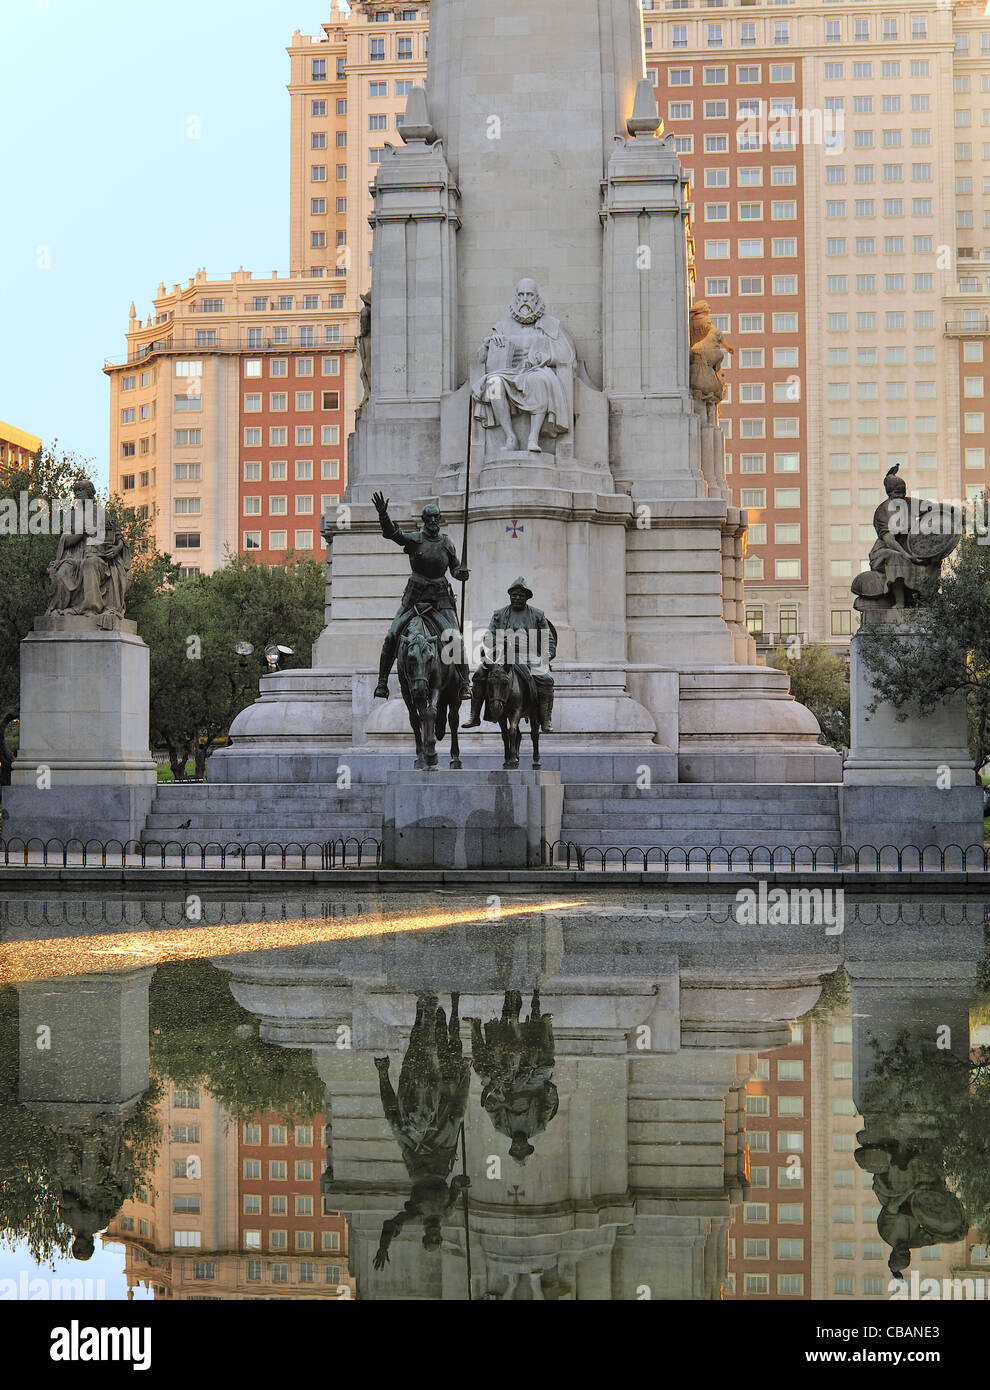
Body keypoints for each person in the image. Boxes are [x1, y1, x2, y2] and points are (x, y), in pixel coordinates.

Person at [373, 993, 471, 1269]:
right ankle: (465, 1075)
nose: (434, 1233)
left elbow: (391, 1224)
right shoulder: (447, 1211)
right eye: (437, 1237)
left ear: (424, 1236)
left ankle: (383, 1074)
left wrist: (384, 1244)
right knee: (456, 1114)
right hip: (441, 1154)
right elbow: (456, 1185)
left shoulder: (416, 1216)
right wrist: (461, 1184)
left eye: (430, 1237)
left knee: (394, 1120)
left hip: (415, 1156)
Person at [371, 492, 470, 700]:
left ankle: (463, 682)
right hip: (415, 597)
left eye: (436, 517)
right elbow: (393, 534)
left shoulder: (447, 543)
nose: (433, 521)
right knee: (392, 635)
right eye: (429, 517)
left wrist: (460, 573)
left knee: (455, 639)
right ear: (424, 521)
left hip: (441, 598)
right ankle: (382, 682)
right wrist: (383, 516)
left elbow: (454, 569)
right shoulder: (415, 539)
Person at [464, 578, 556, 732]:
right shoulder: (499, 614)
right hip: (502, 655)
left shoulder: (538, 615)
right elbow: (488, 635)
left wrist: (546, 657)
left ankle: (545, 718)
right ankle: (474, 716)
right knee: (479, 674)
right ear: (510, 596)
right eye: (514, 595)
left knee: (546, 679)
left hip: (529, 655)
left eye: (520, 595)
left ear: (526, 597)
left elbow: (549, 639)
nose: (517, 598)